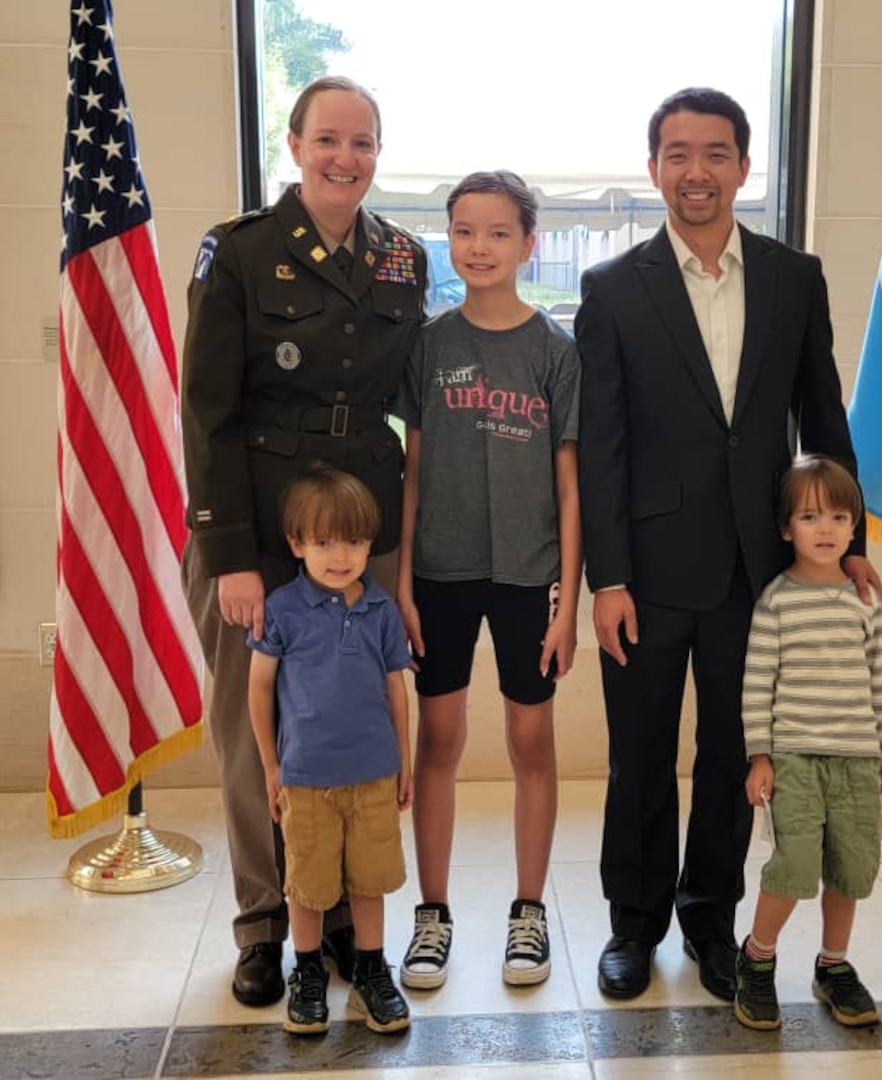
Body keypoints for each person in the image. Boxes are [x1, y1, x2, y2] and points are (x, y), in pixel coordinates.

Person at [575, 87, 882, 1002]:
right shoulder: (613, 288)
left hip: (761, 570)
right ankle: (632, 923)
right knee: (639, 755)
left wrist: (848, 541)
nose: (696, 171)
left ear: (744, 167)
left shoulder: (796, 277)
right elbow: (604, 447)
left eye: (715, 153)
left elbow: (823, 416)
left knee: (732, 756)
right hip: (649, 573)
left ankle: (709, 918)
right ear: (654, 168)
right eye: (677, 153)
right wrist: (608, 577)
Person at [180, 74, 427, 1008]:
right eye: (329, 139)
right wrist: (230, 554)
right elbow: (205, 412)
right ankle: (263, 925)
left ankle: (344, 928)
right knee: (255, 732)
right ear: (293, 145)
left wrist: (399, 556)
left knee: (350, 728)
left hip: (358, 536)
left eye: (364, 143)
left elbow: (404, 413)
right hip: (258, 530)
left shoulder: (403, 260)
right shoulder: (238, 251)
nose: (346, 158)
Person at [391, 171, 581, 990]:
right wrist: (400, 578)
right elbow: (413, 469)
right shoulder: (430, 346)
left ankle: (528, 911)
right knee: (437, 741)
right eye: (464, 231)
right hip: (440, 570)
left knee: (529, 742)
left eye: (498, 233)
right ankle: (432, 915)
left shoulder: (555, 350)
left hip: (528, 577)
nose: (479, 247)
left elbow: (572, 484)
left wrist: (569, 599)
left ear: (529, 243)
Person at [248, 469, 413, 1034]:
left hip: (372, 774)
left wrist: (404, 760)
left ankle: (371, 970)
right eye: (323, 542)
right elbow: (259, 688)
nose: (340, 556)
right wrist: (272, 766)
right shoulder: (281, 610)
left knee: (369, 880)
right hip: (306, 778)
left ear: (370, 543)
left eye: (354, 541)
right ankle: (309, 971)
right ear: (296, 544)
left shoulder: (382, 611)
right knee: (310, 885)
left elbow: (397, 688)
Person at [733, 456, 882, 1031]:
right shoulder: (776, 601)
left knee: (850, 868)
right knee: (794, 866)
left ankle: (834, 965)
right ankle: (757, 957)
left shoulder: (863, 599)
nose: (824, 529)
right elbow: (758, 681)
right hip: (795, 760)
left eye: (837, 517)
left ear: (854, 528)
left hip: (855, 760)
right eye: (808, 516)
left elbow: (878, 674)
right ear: (785, 529)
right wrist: (760, 756)